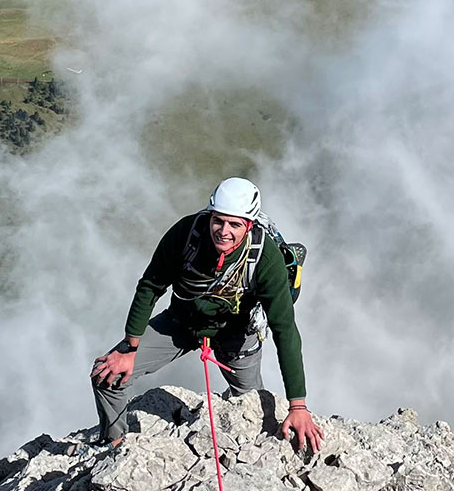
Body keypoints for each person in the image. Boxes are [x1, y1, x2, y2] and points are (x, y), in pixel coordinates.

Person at [90, 177, 324, 451]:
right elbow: (151, 286)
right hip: (181, 324)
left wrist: (298, 406)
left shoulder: (265, 259)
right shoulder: (185, 234)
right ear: (209, 216)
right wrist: (130, 348)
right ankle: (113, 444)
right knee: (107, 374)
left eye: (235, 224)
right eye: (218, 221)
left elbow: (284, 329)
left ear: (248, 226)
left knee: (250, 407)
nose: (224, 231)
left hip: (237, 335)